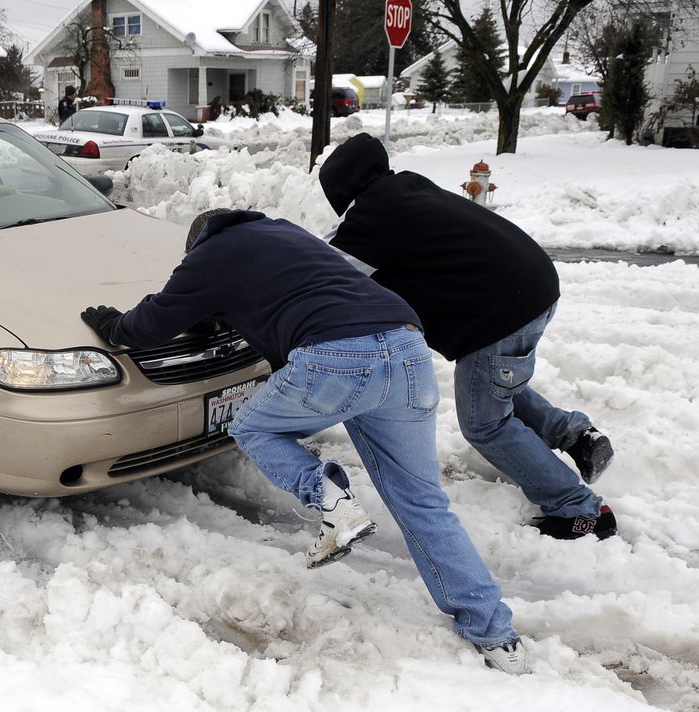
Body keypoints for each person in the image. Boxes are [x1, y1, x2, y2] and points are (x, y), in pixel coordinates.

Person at [81, 209, 531, 674]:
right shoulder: (286, 235)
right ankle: (496, 635)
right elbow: (291, 305)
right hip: (407, 348)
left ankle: (331, 498)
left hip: (338, 355)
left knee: (253, 426)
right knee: (423, 502)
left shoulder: (209, 254)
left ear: (197, 244)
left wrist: (115, 326)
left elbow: (155, 320)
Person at [318, 133, 616, 541]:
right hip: (533, 287)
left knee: (484, 423)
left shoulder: (372, 215)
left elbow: (320, 271)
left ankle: (580, 510)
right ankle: (578, 436)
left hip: (502, 312)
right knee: (492, 381)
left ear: (340, 189)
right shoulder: (407, 188)